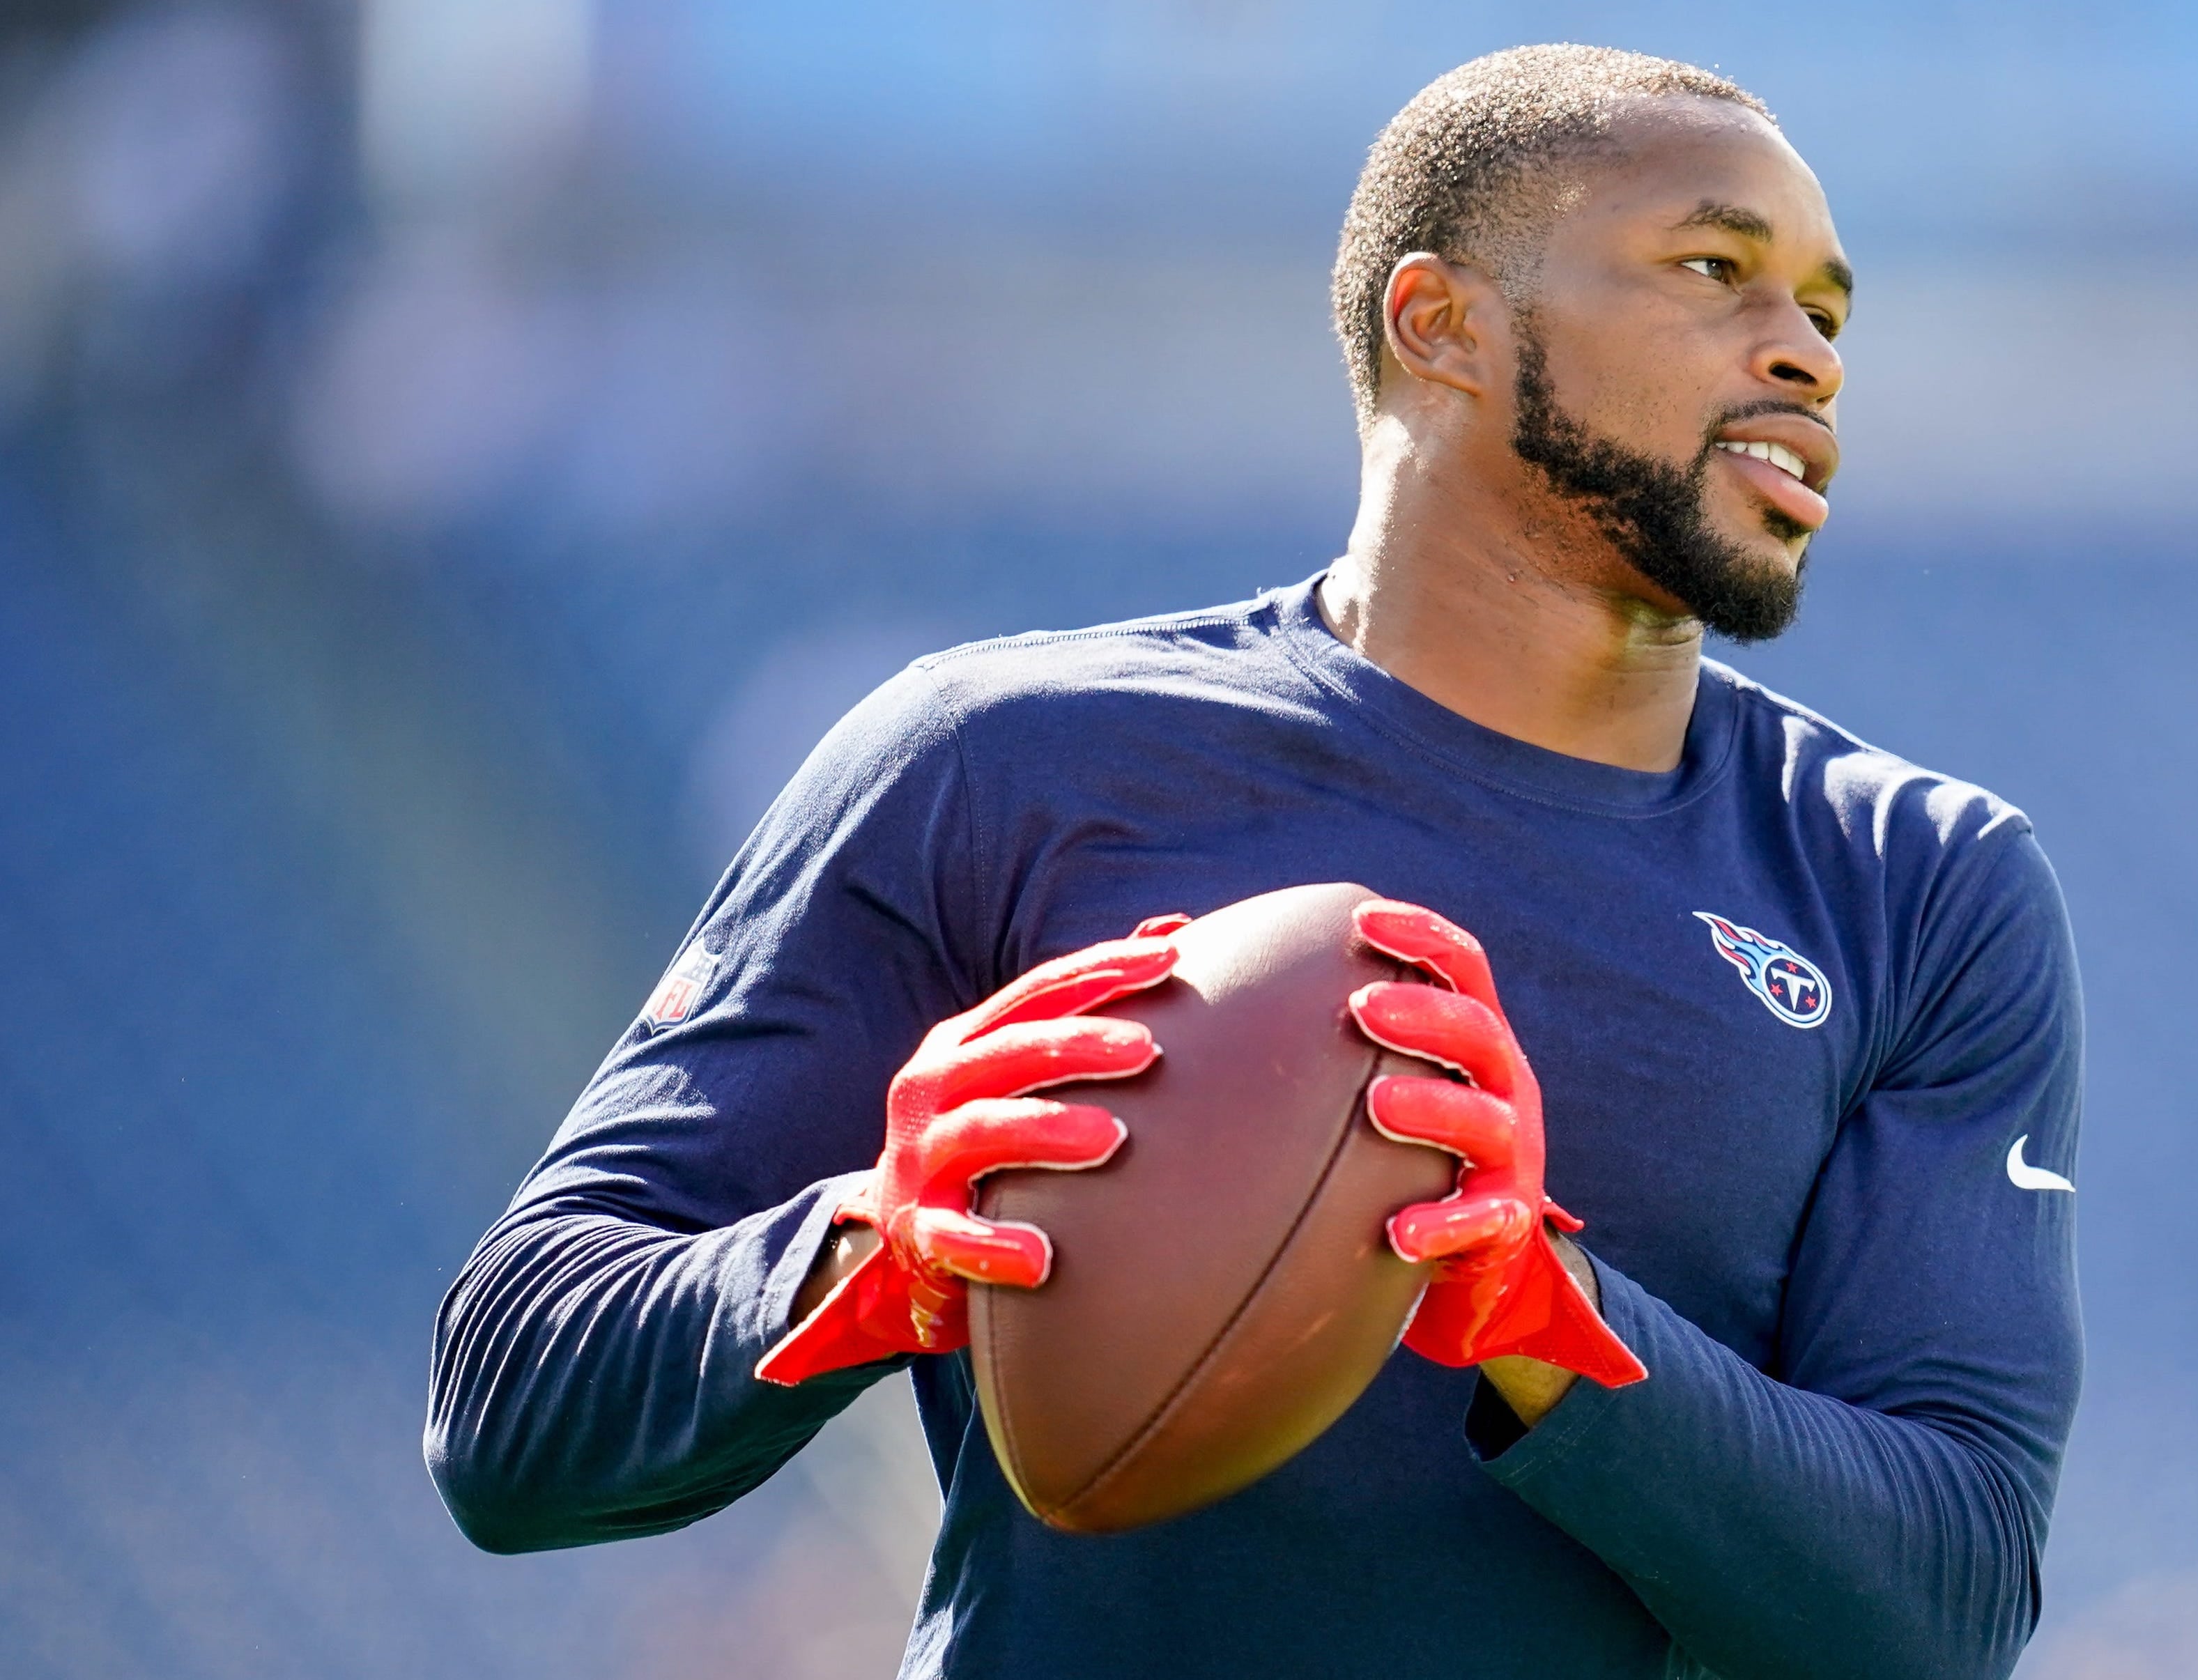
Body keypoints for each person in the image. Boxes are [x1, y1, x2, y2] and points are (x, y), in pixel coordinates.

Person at [427, 43, 2084, 1680]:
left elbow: (1935, 1616)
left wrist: (1543, 1312)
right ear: (1441, 325)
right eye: (1714, 270)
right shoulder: (998, 761)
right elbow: (508, 1415)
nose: (1801, 352)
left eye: (1825, 309)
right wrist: (874, 1241)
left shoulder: (1920, 886)